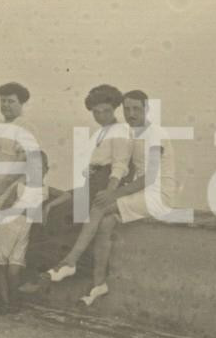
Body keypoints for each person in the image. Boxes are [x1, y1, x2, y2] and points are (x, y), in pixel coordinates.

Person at [43, 90, 177, 305]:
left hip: (158, 195)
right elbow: (125, 166)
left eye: (136, 108)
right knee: (105, 223)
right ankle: (99, 284)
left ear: (147, 108)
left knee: (99, 207)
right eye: (127, 109)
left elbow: (149, 178)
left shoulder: (156, 134)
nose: (131, 113)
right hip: (141, 194)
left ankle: (70, 261)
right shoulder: (132, 134)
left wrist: (113, 193)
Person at [31, 84, 132, 282]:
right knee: (52, 207)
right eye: (96, 112)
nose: (101, 116)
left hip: (106, 183)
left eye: (106, 111)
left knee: (67, 214)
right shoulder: (102, 132)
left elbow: (119, 166)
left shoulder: (120, 131)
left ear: (115, 109)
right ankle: (51, 267)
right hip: (92, 182)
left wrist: (110, 193)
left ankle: (66, 267)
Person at [0, 82, 40, 313]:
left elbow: (28, 163)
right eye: (2, 101)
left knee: (4, 249)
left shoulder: (26, 128)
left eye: (11, 101)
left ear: (22, 103)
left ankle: (7, 300)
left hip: (10, 194)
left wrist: (4, 186)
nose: (6, 105)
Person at [0, 151, 54, 313]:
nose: (36, 171)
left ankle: (13, 300)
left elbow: (66, 195)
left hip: (25, 230)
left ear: (47, 169)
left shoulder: (45, 189)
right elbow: (4, 207)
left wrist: (49, 207)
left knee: (14, 269)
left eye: (40, 167)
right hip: (8, 225)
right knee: (1, 265)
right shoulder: (20, 187)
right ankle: (5, 302)